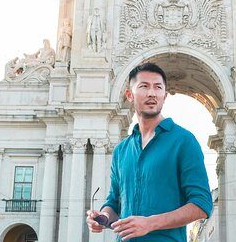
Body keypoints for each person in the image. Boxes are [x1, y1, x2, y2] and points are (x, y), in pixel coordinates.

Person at [86, 62, 212, 241]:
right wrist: (103, 218)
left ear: (165, 95)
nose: (152, 93)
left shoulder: (184, 141)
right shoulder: (121, 150)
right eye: (144, 86)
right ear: (129, 95)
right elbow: (114, 203)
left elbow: (202, 204)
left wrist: (151, 223)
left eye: (158, 87)